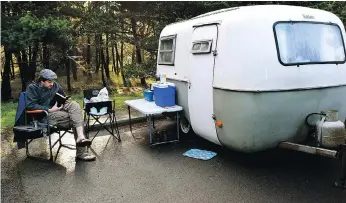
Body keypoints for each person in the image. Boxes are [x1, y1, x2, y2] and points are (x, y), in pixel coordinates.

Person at [25, 69, 96, 161]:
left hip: (58, 110)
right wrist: (49, 109)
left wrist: (65, 102)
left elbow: (63, 98)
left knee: (75, 105)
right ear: (42, 81)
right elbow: (30, 105)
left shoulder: (55, 86)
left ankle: (80, 137)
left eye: (53, 82)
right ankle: (81, 152)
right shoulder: (32, 88)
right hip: (44, 116)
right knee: (76, 119)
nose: (52, 84)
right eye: (49, 82)